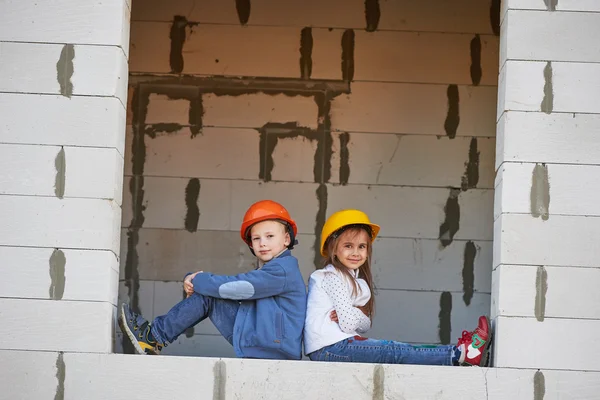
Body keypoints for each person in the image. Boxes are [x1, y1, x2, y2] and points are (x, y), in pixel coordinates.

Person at [119, 200, 307, 360]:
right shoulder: (272, 269)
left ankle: (153, 338)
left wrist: (197, 280)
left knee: (209, 295)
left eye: (269, 236)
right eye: (256, 238)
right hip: (264, 340)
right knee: (208, 294)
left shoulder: (283, 270)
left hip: (275, 348)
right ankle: (153, 339)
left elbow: (240, 287)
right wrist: (195, 280)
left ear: (286, 238)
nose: (262, 243)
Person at [304, 209, 491, 366]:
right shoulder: (329, 277)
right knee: (392, 350)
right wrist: (354, 315)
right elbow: (349, 324)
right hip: (329, 349)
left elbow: (365, 324)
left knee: (394, 349)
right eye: (348, 246)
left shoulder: (355, 281)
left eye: (362, 246)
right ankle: (459, 355)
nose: (356, 252)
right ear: (332, 247)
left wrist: (353, 313)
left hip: (339, 345)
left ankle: (460, 352)